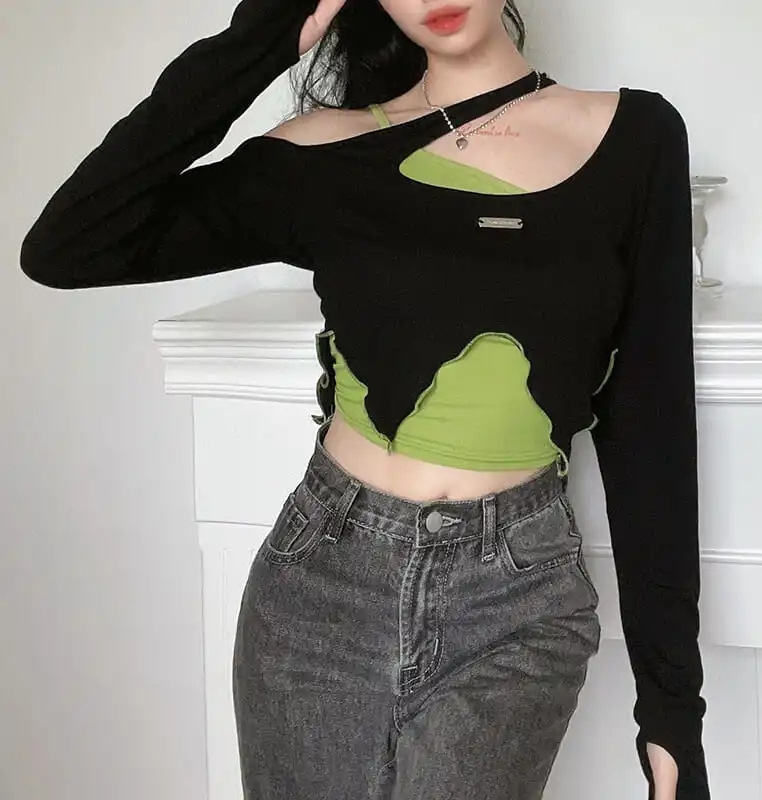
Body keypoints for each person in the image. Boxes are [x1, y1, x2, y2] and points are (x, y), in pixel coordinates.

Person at [19, 0, 710, 798]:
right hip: (323, 584)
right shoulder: (325, 152)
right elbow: (69, 244)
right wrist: (264, 38)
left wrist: (671, 709)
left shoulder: (636, 137)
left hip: (517, 599)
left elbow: (651, 423)